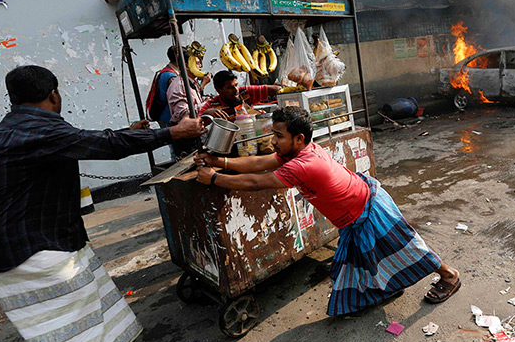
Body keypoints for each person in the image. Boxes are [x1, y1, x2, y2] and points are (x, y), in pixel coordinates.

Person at [0, 65, 206, 342]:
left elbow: (88, 139)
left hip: (17, 242)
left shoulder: (11, 129)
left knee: (74, 306)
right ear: (53, 95)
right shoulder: (42, 132)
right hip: (31, 246)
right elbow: (104, 145)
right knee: (67, 320)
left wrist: (131, 133)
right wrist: (173, 133)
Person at [194, 106, 460, 316]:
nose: (272, 141)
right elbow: (260, 162)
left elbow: (257, 181)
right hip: (354, 214)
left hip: (369, 210)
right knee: (369, 260)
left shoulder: (303, 164)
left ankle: (450, 276)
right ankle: (387, 289)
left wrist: (215, 178)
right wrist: (219, 161)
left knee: (408, 249)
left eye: (278, 136)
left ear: (298, 138)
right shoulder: (297, 152)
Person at [166, 52, 220, 157]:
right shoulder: (179, 86)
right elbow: (182, 113)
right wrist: (206, 106)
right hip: (186, 137)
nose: (200, 67)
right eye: (197, 63)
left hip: (196, 130)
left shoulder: (192, 82)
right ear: (187, 65)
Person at [199, 70, 280, 117]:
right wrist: (207, 113)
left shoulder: (244, 92)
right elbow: (197, 122)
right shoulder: (212, 105)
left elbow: (276, 89)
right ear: (218, 90)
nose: (235, 90)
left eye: (236, 85)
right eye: (230, 88)